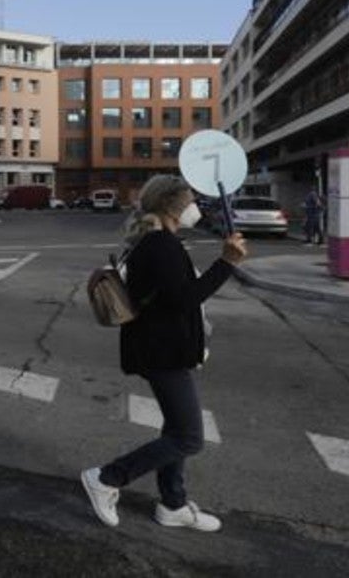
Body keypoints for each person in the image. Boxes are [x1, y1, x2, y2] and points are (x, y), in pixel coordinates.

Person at [80, 175, 247, 533]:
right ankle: (107, 478)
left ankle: (172, 504)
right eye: (191, 201)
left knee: (177, 428)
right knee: (188, 437)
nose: (196, 207)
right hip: (162, 351)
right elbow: (182, 300)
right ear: (173, 205)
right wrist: (227, 263)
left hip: (162, 347)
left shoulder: (156, 239)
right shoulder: (160, 244)